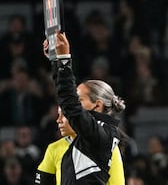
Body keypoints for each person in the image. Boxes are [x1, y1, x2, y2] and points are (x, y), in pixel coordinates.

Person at [35, 31, 127, 184]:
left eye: (79, 100)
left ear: (97, 105)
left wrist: (64, 60)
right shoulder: (83, 138)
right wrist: (56, 61)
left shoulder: (103, 136)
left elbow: (70, 105)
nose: (73, 104)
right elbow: (66, 101)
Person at [35, 107, 125, 185]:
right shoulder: (54, 148)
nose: (59, 120)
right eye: (58, 115)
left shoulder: (107, 146)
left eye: (64, 115)